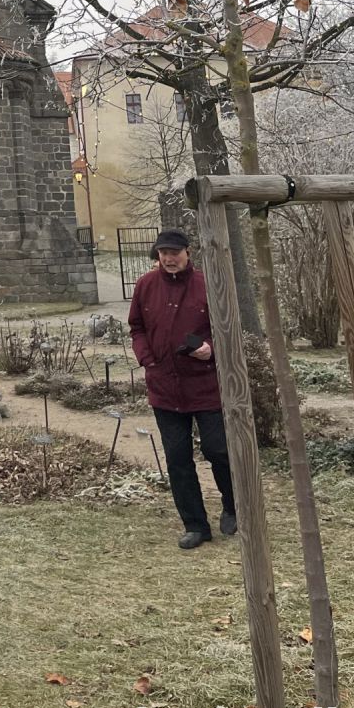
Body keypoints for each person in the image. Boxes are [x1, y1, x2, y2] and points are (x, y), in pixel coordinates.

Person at [128, 229, 237, 549]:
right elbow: (137, 327)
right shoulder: (145, 286)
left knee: (218, 449)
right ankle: (195, 525)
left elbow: (228, 327)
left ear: (187, 253)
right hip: (164, 387)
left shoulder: (207, 285)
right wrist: (147, 359)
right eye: (163, 252)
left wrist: (211, 348)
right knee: (177, 459)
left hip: (204, 385)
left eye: (174, 252)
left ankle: (233, 507)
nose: (169, 258)